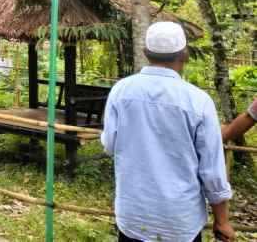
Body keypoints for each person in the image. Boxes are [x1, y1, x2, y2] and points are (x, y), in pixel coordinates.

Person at [101, 21, 235, 242]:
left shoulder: (121, 91)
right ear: (185, 54)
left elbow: (109, 145)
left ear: (145, 52)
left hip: (133, 217)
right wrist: (221, 221)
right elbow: (212, 170)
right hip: (180, 222)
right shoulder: (198, 101)